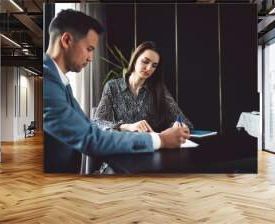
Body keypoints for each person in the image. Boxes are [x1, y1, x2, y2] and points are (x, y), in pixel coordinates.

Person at [43, 9, 190, 173]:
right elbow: (93, 132)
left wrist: (177, 126)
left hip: (149, 161)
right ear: (67, 40)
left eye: (154, 65)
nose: (91, 58)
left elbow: (87, 128)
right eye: (89, 48)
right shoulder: (49, 83)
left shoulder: (60, 82)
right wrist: (158, 138)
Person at [94, 41, 193, 133]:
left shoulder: (159, 89)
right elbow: (98, 122)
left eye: (154, 65)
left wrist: (177, 125)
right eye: (145, 61)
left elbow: (184, 122)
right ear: (135, 59)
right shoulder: (112, 87)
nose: (149, 68)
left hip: (153, 145)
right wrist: (127, 126)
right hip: (123, 146)